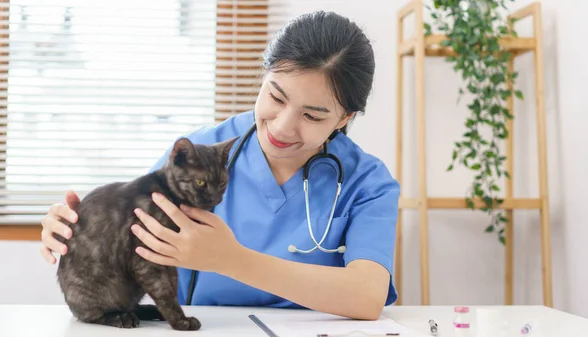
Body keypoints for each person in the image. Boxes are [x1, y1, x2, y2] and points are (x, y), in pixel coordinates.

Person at [39, 10, 400, 320]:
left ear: (343, 118)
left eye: (312, 115)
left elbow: (368, 296)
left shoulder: (367, 182)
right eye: (276, 96)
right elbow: (131, 232)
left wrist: (232, 260)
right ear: (264, 75)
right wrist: (78, 227)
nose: (281, 127)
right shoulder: (198, 154)